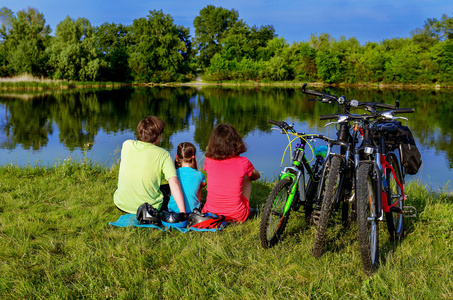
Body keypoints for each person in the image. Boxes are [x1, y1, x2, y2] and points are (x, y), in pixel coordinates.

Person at [113, 116, 186, 214]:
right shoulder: (163, 154)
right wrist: (183, 213)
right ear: (158, 136)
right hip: (150, 208)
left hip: (121, 205)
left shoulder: (127, 144)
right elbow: (174, 183)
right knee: (171, 188)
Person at [202, 123, 260, 222]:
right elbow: (257, 175)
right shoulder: (243, 162)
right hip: (237, 216)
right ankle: (246, 209)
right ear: (236, 142)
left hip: (210, 213)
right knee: (248, 176)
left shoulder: (208, 160)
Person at [167, 142, 206, 214]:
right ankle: (197, 207)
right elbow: (204, 184)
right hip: (192, 212)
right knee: (200, 185)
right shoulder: (199, 175)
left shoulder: (173, 173)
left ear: (177, 157)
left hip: (173, 211)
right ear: (194, 157)